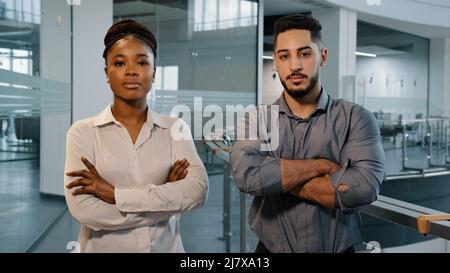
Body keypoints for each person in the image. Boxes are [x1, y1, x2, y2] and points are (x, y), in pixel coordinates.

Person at [230, 14, 385, 253]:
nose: (294, 66)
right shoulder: (256, 119)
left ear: (322, 57)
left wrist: (274, 179)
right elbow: (247, 176)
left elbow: (362, 188)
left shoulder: (356, 118)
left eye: (304, 54)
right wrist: (321, 166)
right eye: (284, 56)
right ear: (276, 61)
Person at [64, 19, 208, 253]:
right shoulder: (82, 133)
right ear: (106, 73)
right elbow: (85, 211)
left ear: (153, 72)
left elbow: (197, 191)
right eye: (119, 63)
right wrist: (168, 200)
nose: (131, 71)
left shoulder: (176, 128)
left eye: (142, 62)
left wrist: (115, 195)